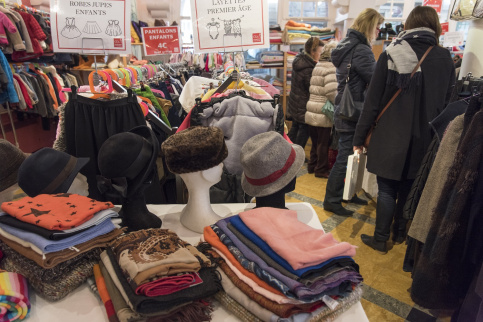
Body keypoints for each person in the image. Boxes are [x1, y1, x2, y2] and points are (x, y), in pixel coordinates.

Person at [353, 6, 455, 254]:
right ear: (435, 27)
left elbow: (373, 101)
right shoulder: (445, 58)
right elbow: (449, 105)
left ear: (409, 23)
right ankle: (400, 233)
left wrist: (359, 137)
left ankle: (380, 239)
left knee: (387, 189)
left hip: (390, 135)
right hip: (426, 137)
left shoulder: (392, 53)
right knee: (410, 186)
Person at [323, 8, 384, 217]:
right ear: (370, 26)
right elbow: (376, 80)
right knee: (346, 156)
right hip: (354, 111)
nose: (378, 31)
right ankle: (331, 200)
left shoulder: (346, 46)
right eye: (377, 26)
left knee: (350, 156)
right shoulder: (361, 50)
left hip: (344, 108)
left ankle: (347, 193)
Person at [305, 40, 338, 178]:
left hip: (312, 109)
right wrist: (339, 103)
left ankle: (312, 166)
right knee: (323, 143)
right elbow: (331, 92)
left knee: (315, 141)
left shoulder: (318, 65)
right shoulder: (331, 68)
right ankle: (321, 169)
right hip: (323, 111)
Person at [287, 37, 324, 150]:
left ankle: (288, 153)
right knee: (304, 131)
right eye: (320, 52)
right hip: (303, 105)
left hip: (296, 103)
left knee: (295, 128)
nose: (320, 55)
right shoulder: (308, 67)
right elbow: (311, 87)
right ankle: (297, 156)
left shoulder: (300, 60)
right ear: (313, 52)